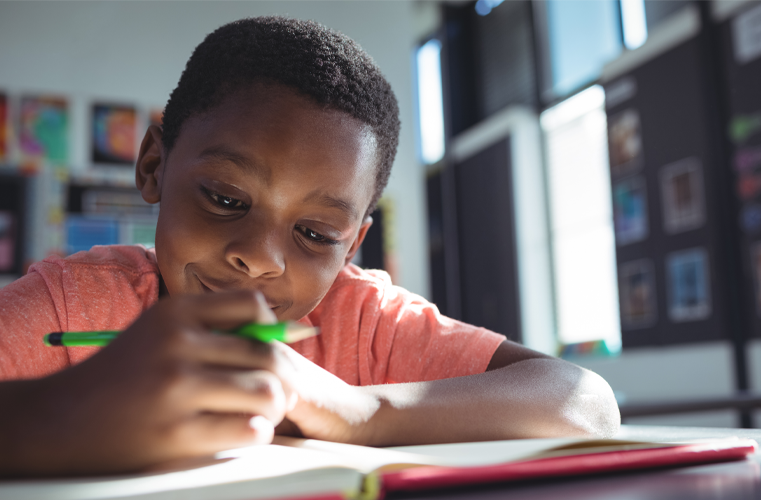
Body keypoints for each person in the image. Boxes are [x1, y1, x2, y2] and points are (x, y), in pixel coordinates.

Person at [0, 17, 619, 477]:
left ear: (351, 246)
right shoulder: (74, 306)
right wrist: (69, 410)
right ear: (154, 166)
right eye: (224, 197)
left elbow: (585, 402)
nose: (262, 257)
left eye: (316, 235)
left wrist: (362, 412)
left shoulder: (366, 324)